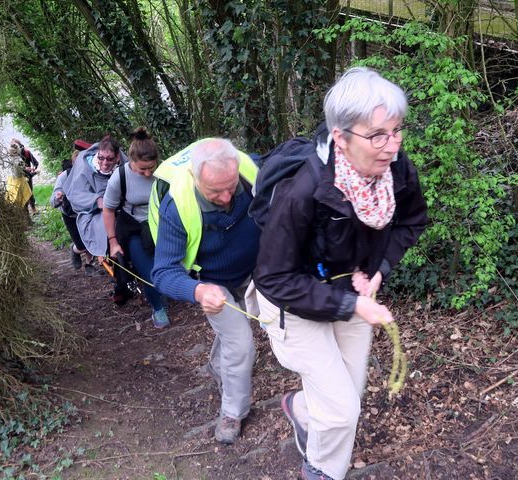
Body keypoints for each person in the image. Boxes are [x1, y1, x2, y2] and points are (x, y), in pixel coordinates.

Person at [253, 67, 428, 480]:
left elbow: (410, 222)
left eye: (397, 130)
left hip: (353, 292)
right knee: (342, 409)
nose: (391, 146)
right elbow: (273, 277)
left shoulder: (397, 170)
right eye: (377, 135)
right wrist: (350, 303)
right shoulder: (304, 190)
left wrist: (379, 270)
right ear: (341, 136)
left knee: (347, 394)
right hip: (292, 303)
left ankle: (300, 408)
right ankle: (320, 470)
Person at [150, 138, 260, 444]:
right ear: (196, 179)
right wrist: (198, 291)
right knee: (241, 345)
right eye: (215, 191)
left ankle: (216, 365)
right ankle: (233, 412)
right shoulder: (178, 204)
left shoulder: (251, 171)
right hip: (214, 283)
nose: (226, 198)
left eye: (231, 187)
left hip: (258, 270)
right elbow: (163, 272)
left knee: (246, 335)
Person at [102, 127, 170, 328]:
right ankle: (158, 308)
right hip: (134, 228)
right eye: (142, 169)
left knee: (168, 264)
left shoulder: (166, 171)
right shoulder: (120, 177)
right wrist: (113, 241)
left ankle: (171, 289)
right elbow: (108, 210)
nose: (148, 173)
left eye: (151, 167)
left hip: (162, 224)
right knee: (148, 271)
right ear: (132, 161)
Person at [64, 135, 124, 264]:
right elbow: (76, 194)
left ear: (117, 157)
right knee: (91, 239)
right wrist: (97, 200)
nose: (104, 163)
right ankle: (79, 251)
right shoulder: (84, 166)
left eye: (109, 159)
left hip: (117, 205)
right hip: (91, 210)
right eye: (101, 158)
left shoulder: (124, 163)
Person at [50, 149, 95, 275]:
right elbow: (52, 201)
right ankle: (75, 250)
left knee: (91, 240)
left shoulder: (93, 174)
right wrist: (58, 197)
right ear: (74, 163)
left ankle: (89, 265)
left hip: (88, 213)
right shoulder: (64, 176)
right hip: (70, 214)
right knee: (81, 245)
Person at [11, 138, 39, 214]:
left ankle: (33, 209)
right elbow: (21, 166)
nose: (13, 148)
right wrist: (33, 171)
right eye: (12, 147)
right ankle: (26, 214)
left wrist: (33, 169)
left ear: (20, 146)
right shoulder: (14, 157)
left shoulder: (26, 152)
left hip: (27, 176)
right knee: (23, 196)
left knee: (30, 194)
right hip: (20, 178)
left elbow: (36, 163)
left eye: (15, 146)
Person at [5, 143, 32, 210]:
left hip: (11, 180)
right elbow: (23, 167)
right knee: (23, 199)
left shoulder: (9, 158)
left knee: (13, 199)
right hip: (19, 181)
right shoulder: (18, 159)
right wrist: (30, 169)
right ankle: (25, 216)